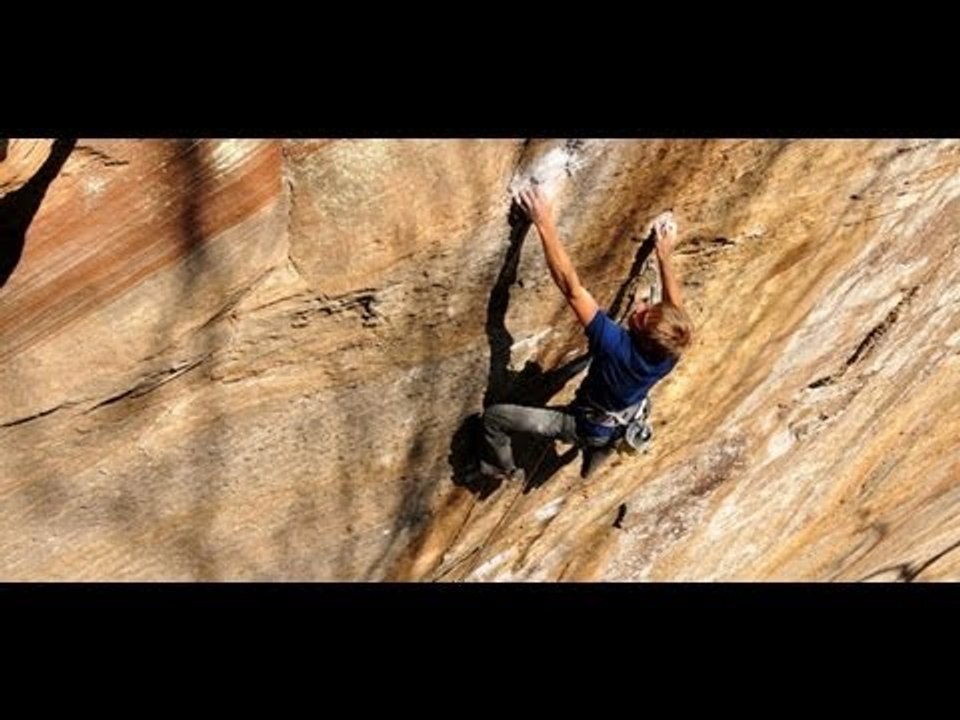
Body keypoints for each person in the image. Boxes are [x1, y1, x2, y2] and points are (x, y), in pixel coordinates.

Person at [480, 185, 693, 482]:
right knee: (602, 436)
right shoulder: (669, 352)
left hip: (581, 424)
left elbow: (571, 287)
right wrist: (664, 255)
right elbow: (676, 309)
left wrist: (543, 222)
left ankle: (505, 468)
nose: (640, 305)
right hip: (621, 419)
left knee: (494, 418)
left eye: (642, 313)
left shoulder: (614, 345)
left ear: (640, 336)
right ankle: (594, 458)